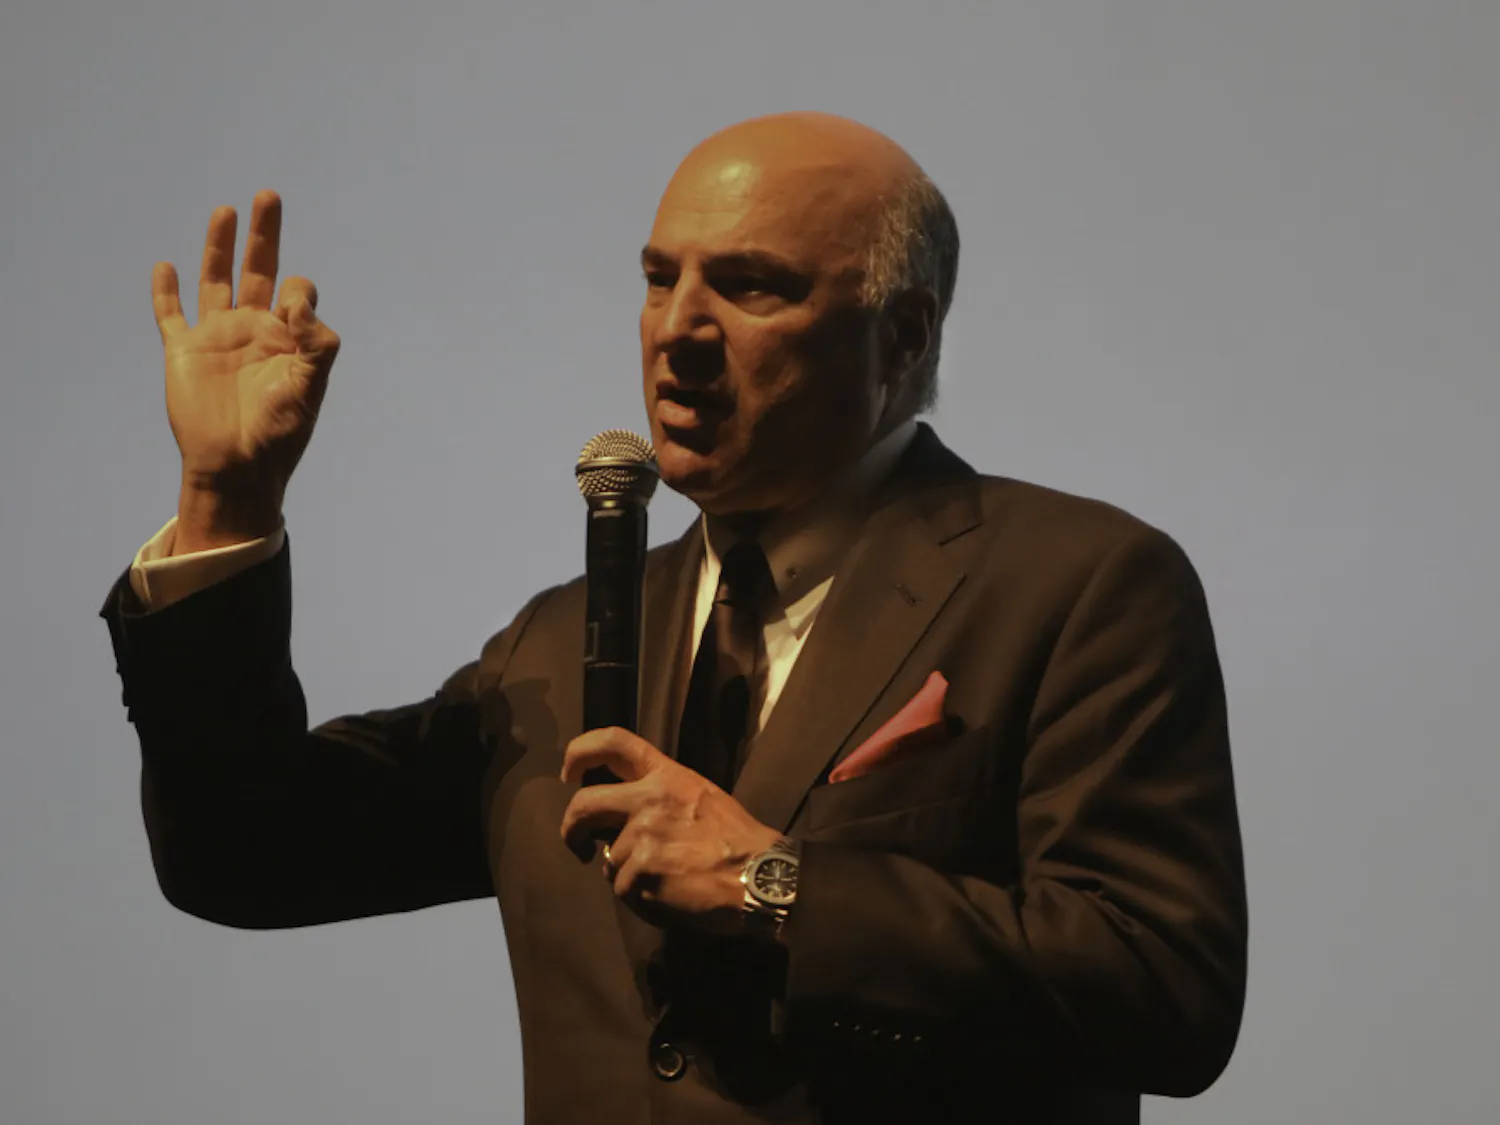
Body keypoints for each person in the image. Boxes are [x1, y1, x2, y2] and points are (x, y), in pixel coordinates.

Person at [100, 112, 1248, 1125]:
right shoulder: (560, 643)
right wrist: (226, 502)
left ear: (902, 336)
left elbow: (1164, 992)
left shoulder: (1078, 584)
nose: (677, 331)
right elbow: (244, 853)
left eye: (751, 286)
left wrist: (779, 888)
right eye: (660, 279)